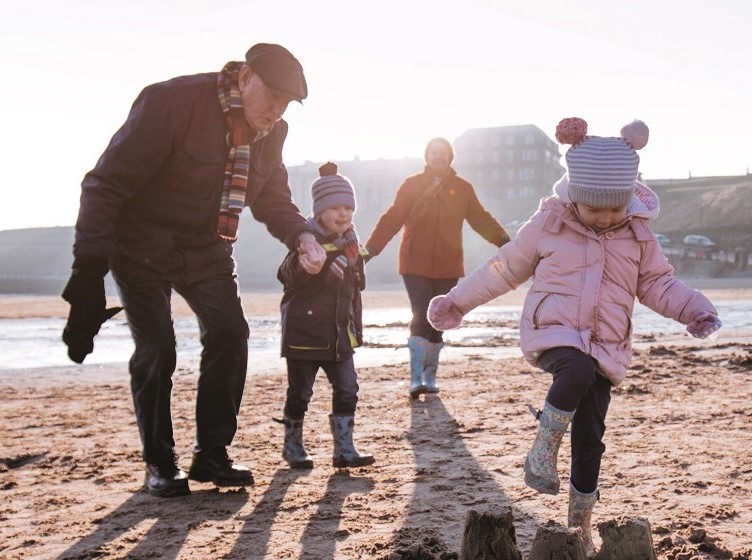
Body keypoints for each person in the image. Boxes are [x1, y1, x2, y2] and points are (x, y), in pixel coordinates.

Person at [427, 117, 722, 556]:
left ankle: (578, 522)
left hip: (607, 344)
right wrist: (457, 301)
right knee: (576, 368)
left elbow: (658, 284)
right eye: (594, 208)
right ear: (575, 198)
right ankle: (543, 447)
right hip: (555, 333)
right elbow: (505, 268)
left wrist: (695, 309)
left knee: (591, 435)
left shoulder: (638, 236)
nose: (605, 217)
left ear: (629, 199)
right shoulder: (549, 224)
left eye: (614, 209)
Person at [61, 43, 327, 498]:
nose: (278, 110)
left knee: (230, 333)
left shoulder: (271, 130)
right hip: (142, 243)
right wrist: (88, 270)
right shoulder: (171, 102)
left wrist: (303, 235)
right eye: (273, 96)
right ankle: (160, 463)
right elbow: (105, 184)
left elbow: (272, 199)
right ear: (245, 77)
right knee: (158, 347)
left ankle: (212, 455)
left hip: (208, 246)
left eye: (288, 103)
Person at [364, 137, 510, 398]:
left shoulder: (462, 188)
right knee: (421, 314)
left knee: (439, 318)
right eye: (434, 152)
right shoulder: (412, 185)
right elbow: (393, 218)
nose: (438, 156)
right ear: (426, 156)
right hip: (414, 262)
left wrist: (503, 241)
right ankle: (415, 378)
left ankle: (430, 376)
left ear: (450, 156)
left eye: (443, 152)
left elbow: (480, 219)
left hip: (448, 263)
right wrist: (371, 249)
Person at [276, 162, 375, 469]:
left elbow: (357, 288)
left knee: (348, 388)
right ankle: (293, 446)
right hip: (305, 335)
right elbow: (286, 275)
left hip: (339, 335)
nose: (343, 214)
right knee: (300, 393)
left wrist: (353, 263)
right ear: (319, 211)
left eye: (348, 208)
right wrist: (307, 266)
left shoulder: (351, 245)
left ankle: (344, 449)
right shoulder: (308, 243)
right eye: (335, 208)